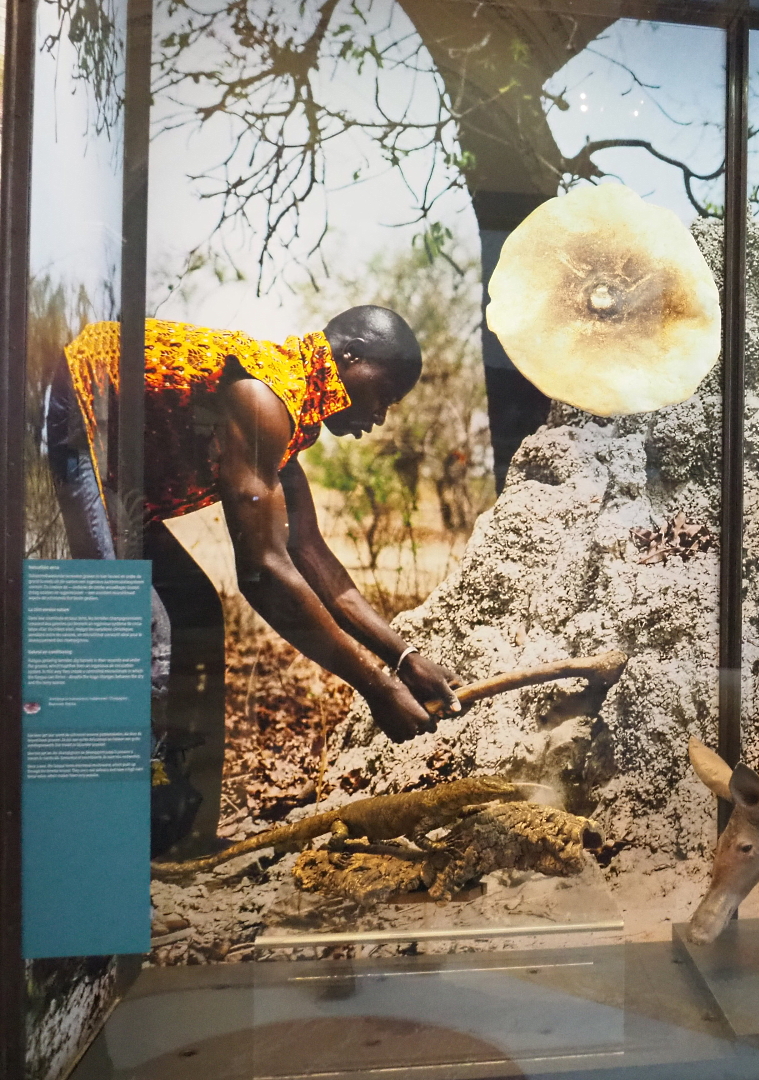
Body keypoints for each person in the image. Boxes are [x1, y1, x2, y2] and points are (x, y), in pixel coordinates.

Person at [47, 306, 463, 858]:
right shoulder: (264, 397)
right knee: (136, 630)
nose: (381, 416)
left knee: (194, 610)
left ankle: (178, 837)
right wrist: (376, 689)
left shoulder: (287, 406)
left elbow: (311, 556)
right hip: (77, 416)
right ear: (350, 358)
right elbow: (263, 572)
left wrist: (404, 658)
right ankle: (106, 845)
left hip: (119, 473)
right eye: (384, 394)